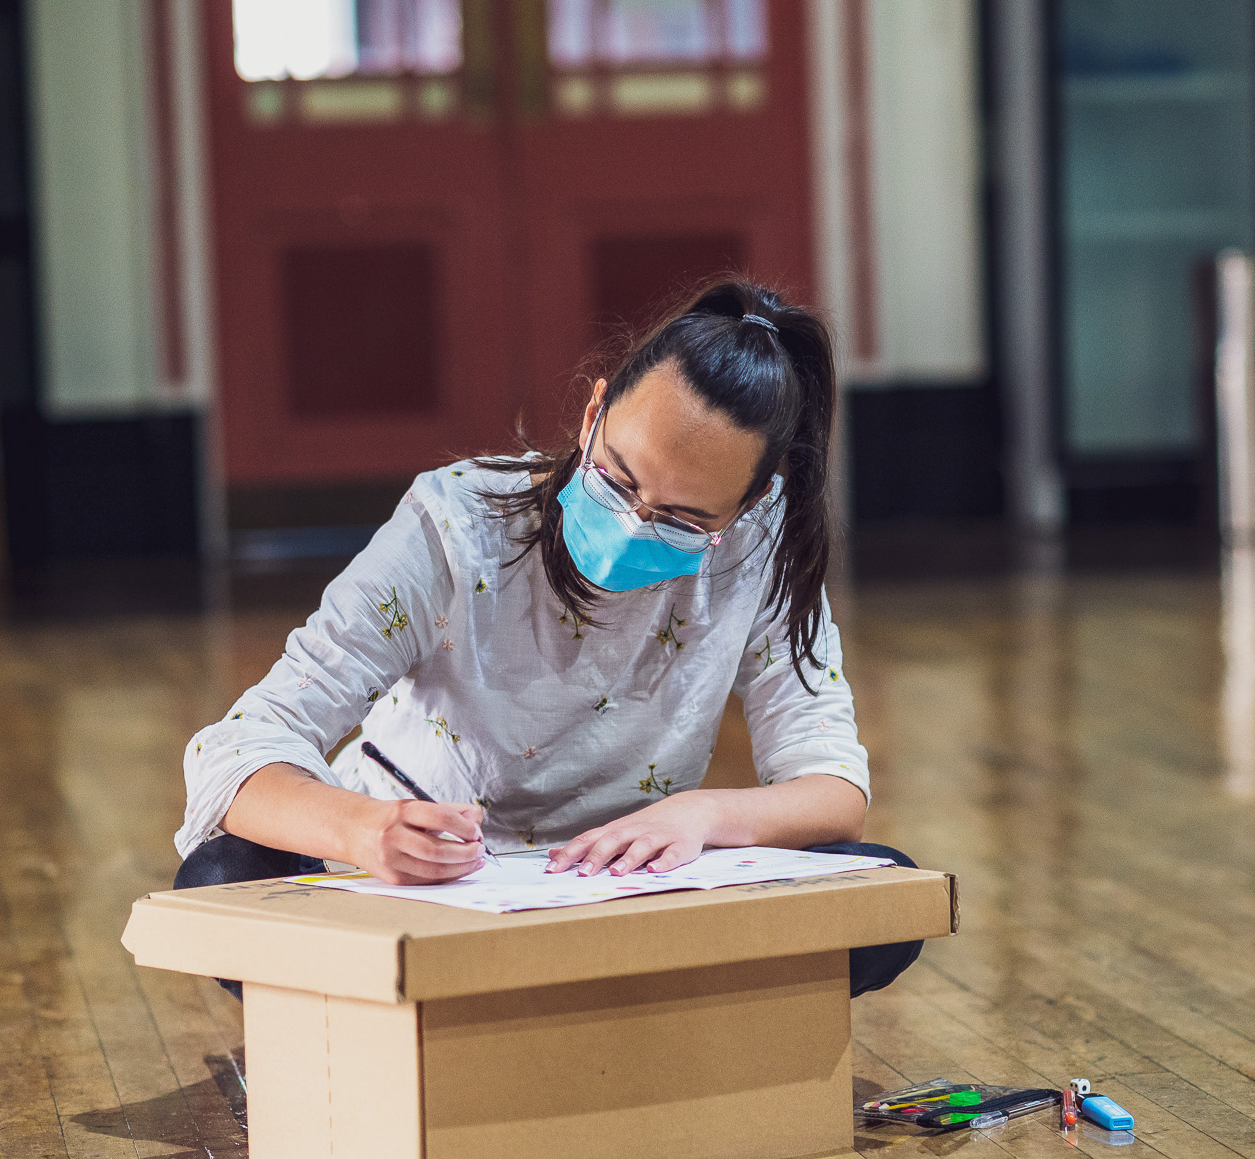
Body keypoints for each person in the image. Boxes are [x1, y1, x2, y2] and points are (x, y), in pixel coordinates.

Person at [174, 277, 923, 998]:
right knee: (221, 877)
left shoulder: (763, 548)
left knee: (882, 890)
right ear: (594, 412)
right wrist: (370, 831)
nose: (633, 525)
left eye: (683, 520)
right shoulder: (456, 525)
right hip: (420, 903)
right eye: (619, 479)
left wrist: (701, 815)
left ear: (751, 500)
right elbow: (235, 750)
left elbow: (831, 787)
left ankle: (562, 1020)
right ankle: (625, 1023)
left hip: (622, 901)